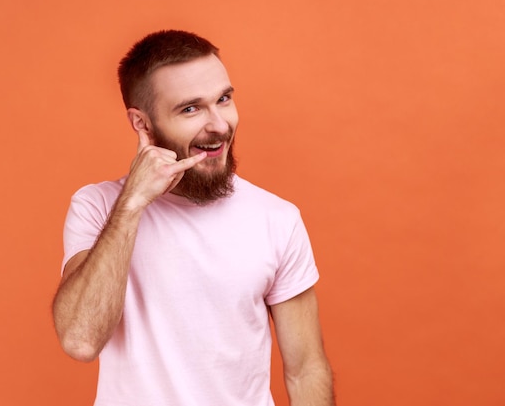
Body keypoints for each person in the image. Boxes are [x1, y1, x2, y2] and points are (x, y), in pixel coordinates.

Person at [52, 29, 335, 406]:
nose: (219, 124)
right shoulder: (100, 207)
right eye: (190, 108)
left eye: (224, 99)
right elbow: (80, 339)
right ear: (142, 124)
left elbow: (305, 369)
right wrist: (132, 204)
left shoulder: (277, 218)